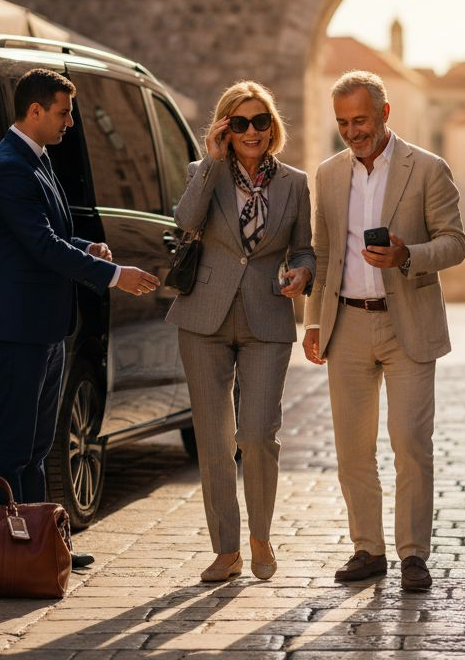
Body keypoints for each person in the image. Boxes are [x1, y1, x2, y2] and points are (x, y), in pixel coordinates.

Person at [0, 68, 159, 568]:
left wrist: (87, 246)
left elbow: (49, 236)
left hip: (47, 325)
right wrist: (112, 272)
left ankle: (42, 545)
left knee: (38, 443)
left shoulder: (38, 158)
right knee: (12, 445)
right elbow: (38, 246)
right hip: (16, 327)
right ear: (34, 111)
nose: (70, 122)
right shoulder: (9, 165)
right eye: (63, 112)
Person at [302, 70, 465, 592]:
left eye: (362, 120)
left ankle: (414, 554)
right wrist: (313, 319)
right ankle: (367, 550)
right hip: (345, 321)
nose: (353, 132)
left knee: (411, 442)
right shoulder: (327, 175)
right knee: (353, 448)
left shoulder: (428, 169)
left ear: (385, 114)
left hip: (408, 324)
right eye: (344, 123)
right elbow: (324, 255)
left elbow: (455, 243)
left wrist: (406, 256)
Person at [167, 81, 314, 582]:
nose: (252, 132)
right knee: (213, 439)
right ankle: (226, 550)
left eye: (261, 122)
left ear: (273, 127)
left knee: (257, 435)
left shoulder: (295, 183)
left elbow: (305, 249)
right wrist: (209, 162)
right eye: (240, 123)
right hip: (204, 316)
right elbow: (185, 223)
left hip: (267, 318)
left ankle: (260, 537)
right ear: (225, 128)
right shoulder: (202, 174)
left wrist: (303, 274)